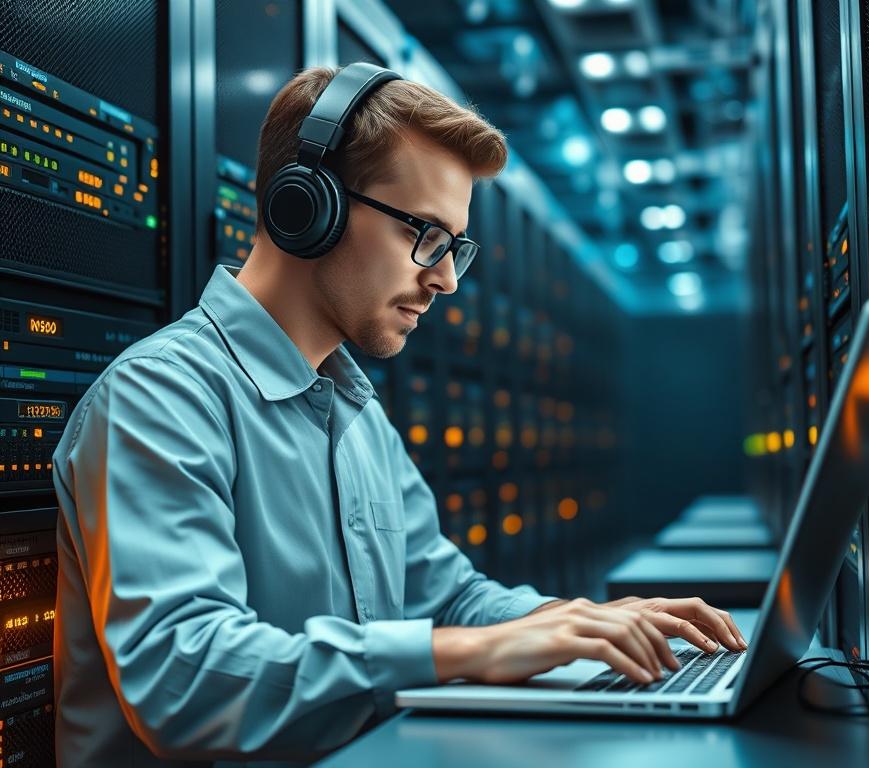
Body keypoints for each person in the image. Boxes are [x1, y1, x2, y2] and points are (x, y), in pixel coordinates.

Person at [51, 65, 747, 766]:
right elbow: (187, 686)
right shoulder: (160, 398)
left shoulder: (353, 410)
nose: (444, 278)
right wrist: (475, 651)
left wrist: (571, 621)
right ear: (308, 209)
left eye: (456, 248)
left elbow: (444, 597)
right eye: (427, 234)